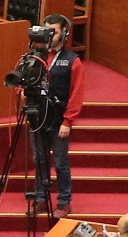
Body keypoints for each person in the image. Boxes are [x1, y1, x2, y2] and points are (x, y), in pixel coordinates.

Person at [27, 14, 86, 215]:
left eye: (55, 32)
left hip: (58, 120)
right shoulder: (36, 55)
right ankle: (41, 198)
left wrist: (68, 121)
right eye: (47, 31)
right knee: (40, 160)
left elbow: (77, 93)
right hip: (37, 117)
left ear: (64, 34)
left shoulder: (72, 60)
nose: (50, 36)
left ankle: (64, 201)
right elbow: (25, 80)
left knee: (60, 162)